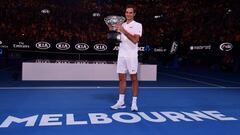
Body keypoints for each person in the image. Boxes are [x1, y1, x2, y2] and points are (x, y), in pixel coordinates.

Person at [110, 4, 142, 111]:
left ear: (134, 14)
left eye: (130, 12)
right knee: (121, 79)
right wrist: (113, 30)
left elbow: (135, 40)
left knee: (134, 79)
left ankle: (134, 103)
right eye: (127, 12)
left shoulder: (138, 25)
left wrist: (124, 31)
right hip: (121, 55)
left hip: (132, 56)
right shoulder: (121, 25)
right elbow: (118, 39)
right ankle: (121, 101)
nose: (128, 14)